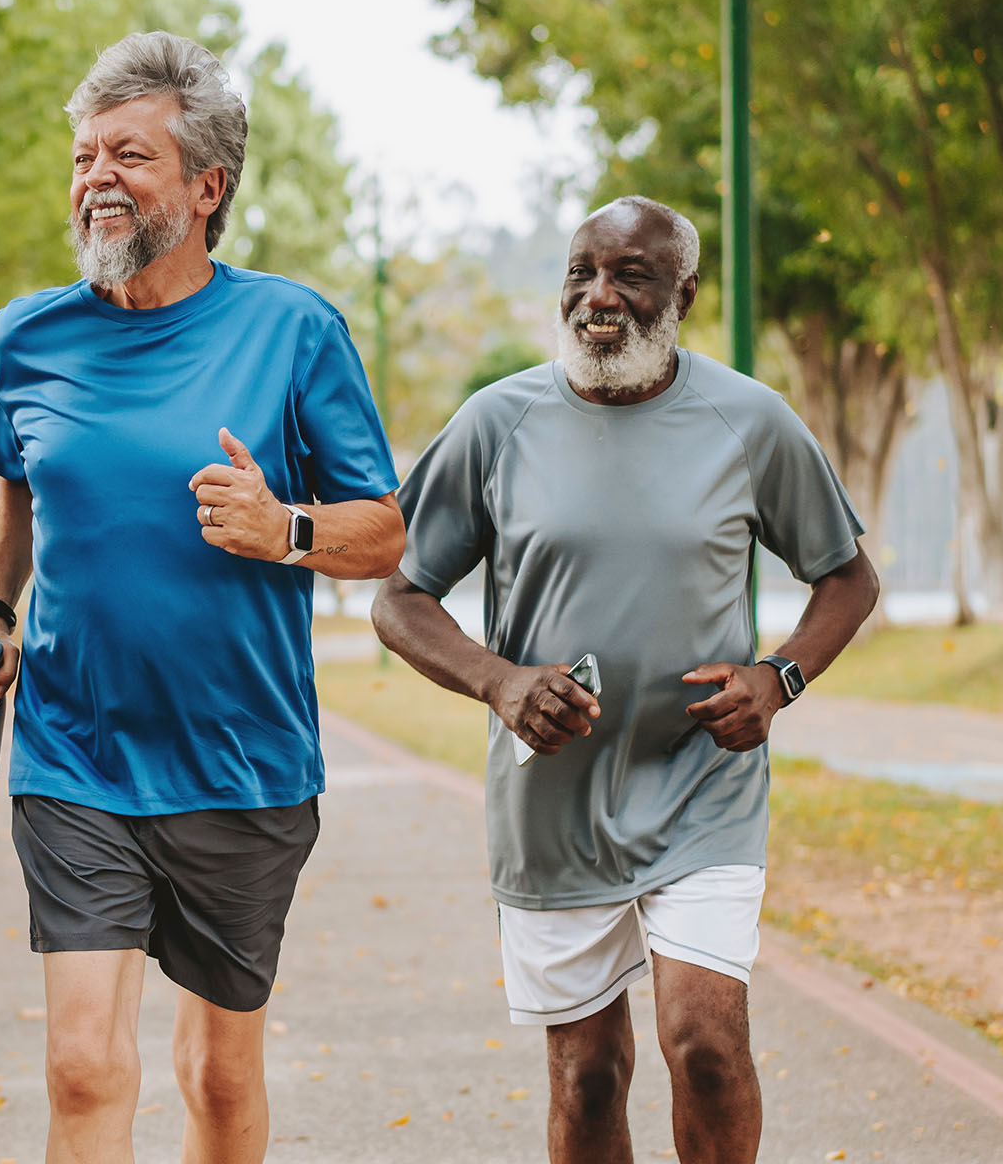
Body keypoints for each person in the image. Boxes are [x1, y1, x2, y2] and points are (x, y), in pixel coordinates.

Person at [0, 32, 406, 1164]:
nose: (95, 177)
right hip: (76, 753)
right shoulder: (29, 336)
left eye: (129, 155)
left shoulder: (292, 329)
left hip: (240, 759)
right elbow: (14, 500)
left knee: (220, 1083)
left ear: (206, 187)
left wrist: (284, 528)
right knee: (84, 1067)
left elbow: (384, 532)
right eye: (84, 155)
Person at [371, 196, 880, 1164]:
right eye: (581, 272)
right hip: (550, 803)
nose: (598, 296)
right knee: (588, 1076)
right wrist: (499, 681)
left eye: (629, 275)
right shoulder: (495, 422)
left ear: (682, 292)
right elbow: (398, 598)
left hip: (703, 787)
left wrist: (777, 680)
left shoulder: (748, 420)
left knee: (708, 1047)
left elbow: (847, 579)